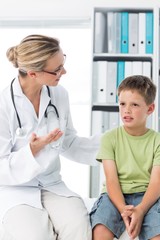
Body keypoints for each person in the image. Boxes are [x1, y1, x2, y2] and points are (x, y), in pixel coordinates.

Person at [0, 34, 100, 240]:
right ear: (33, 73)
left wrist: (111, 145)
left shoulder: (59, 94)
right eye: (56, 70)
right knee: (36, 235)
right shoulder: (3, 104)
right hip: (15, 189)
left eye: (63, 63)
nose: (64, 72)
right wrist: (31, 151)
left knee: (78, 227)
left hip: (52, 184)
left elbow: (68, 142)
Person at [90, 75, 160, 240]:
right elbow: (111, 180)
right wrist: (123, 210)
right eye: (122, 104)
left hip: (147, 195)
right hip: (114, 195)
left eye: (134, 105)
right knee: (99, 232)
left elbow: (157, 182)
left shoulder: (157, 141)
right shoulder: (109, 138)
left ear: (150, 109)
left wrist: (141, 210)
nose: (126, 110)